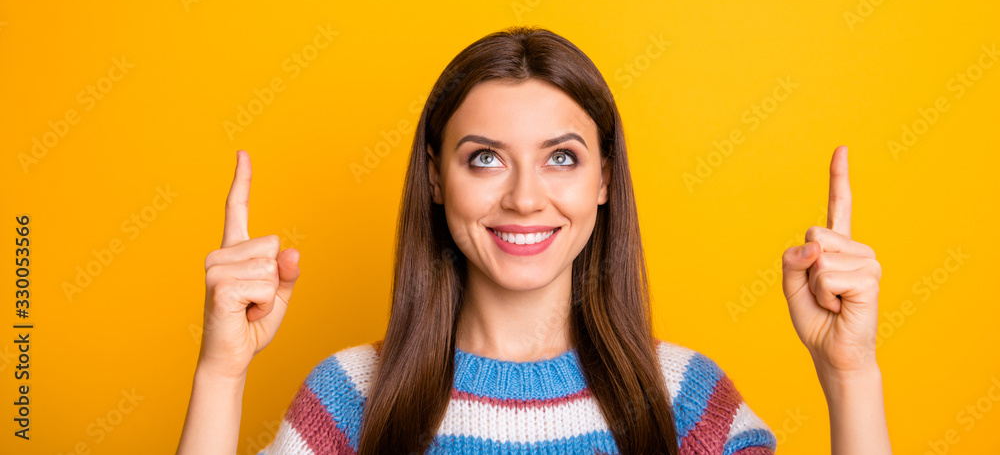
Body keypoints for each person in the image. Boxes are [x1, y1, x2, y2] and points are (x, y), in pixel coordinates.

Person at [176, 26, 892, 454]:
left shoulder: (687, 400)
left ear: (605, 178)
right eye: (484, 157)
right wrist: (221, 371)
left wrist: (850, 374)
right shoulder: (349, 400)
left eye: (562, 157)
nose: (523, 196)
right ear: (435, 178)